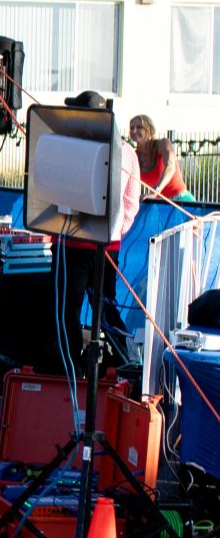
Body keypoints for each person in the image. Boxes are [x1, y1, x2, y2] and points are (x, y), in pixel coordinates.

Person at [60, 92, 141, 369]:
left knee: (69, 307)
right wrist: (116, 231)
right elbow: (131, 201)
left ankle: (71, 363)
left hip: (74, 242)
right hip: (107, 243)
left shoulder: (72, 146)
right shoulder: (127, 150)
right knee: (104, 305)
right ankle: (124, 360)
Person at [131, 115, 193, 202]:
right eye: (132, 128)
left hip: (181, 200)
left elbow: (170, 167)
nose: (134, 131)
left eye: (139, 127)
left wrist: (155, 192)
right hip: (160, 204)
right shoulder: (134, 156)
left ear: (149, 130)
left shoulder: (163, 144)